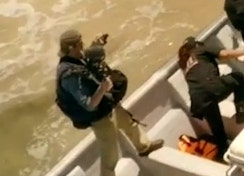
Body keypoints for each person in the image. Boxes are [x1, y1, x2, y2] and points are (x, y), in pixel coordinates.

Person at [54, 30, 163, 173]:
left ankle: (144, 146)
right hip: (98, 116)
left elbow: (89, 60)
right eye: (79, 42)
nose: (83, 44)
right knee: (110, 156)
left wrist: (97, 45)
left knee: (128, 123)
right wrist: (103, 89)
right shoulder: (69, 76)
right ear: (71, 47)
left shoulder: (76, 57)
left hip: (106, 103)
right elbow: (89, 105)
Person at [178, 37, 244, 159]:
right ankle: (240, 114)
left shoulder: (183, 62)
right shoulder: (200, 49)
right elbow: (225, 54)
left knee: (217, 130)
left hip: (198, 100)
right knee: (238, 78)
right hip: (212, 87)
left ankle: (223, 152)